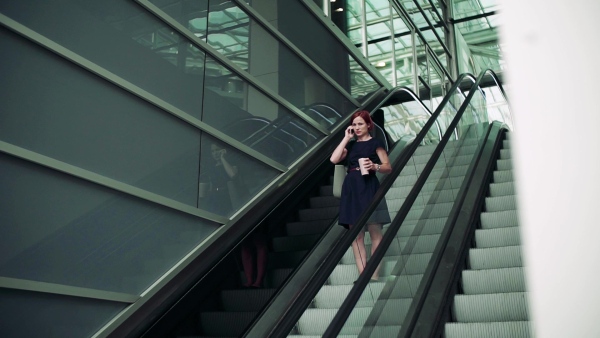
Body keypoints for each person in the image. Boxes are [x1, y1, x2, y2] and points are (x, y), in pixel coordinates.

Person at [330, 110, 392, 281]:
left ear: (368, 125)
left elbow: (388, 167)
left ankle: (374, 274)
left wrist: (375, 166)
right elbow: (334, 159)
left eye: (360, 124)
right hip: (351, 189)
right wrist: (346, 138)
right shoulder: (350, 146)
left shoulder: (376, 143)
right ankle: (363, 275)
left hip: (369, 186)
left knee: (375, 232)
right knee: (356, 235)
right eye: (354, 124)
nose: (357, 127)